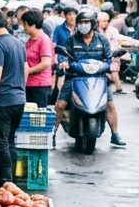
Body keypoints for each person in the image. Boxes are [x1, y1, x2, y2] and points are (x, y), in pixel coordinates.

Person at [57, 9, 127, 149]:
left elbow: (108, 58)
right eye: (81, 23)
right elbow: (64, 56)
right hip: (75, 77)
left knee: (110, 105)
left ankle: (115, 134)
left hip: (98, 78)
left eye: (86, 22)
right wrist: (63, 62)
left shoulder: (102, 40)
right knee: (60, 105)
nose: (84, 25)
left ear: (93, 24)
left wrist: (112, 65)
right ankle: (52, 133)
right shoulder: (71, 40)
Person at [0, 10, 27, 184]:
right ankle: (10, 182)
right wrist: (21, 90)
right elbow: (25, 69)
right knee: (10, 141)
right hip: (18, 100)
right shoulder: (18, 43)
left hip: (3, 101)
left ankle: (5, 182)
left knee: (0, 143)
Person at [21, 9, 55, 108]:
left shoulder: (43, 40)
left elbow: (46, 62)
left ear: (31, 24)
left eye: (24, 24)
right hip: (29, 84)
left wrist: (29, 71)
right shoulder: (30, 41)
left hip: (40, 86)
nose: (24, 28)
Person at [98, 11, 124, 93]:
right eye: (104, 21)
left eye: (107, 21)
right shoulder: (95, 31)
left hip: (112, 54)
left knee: (114, 71)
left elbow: (117, 43)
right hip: (100, 55)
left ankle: (119, 88)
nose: (106, 23)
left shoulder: (113, 30)